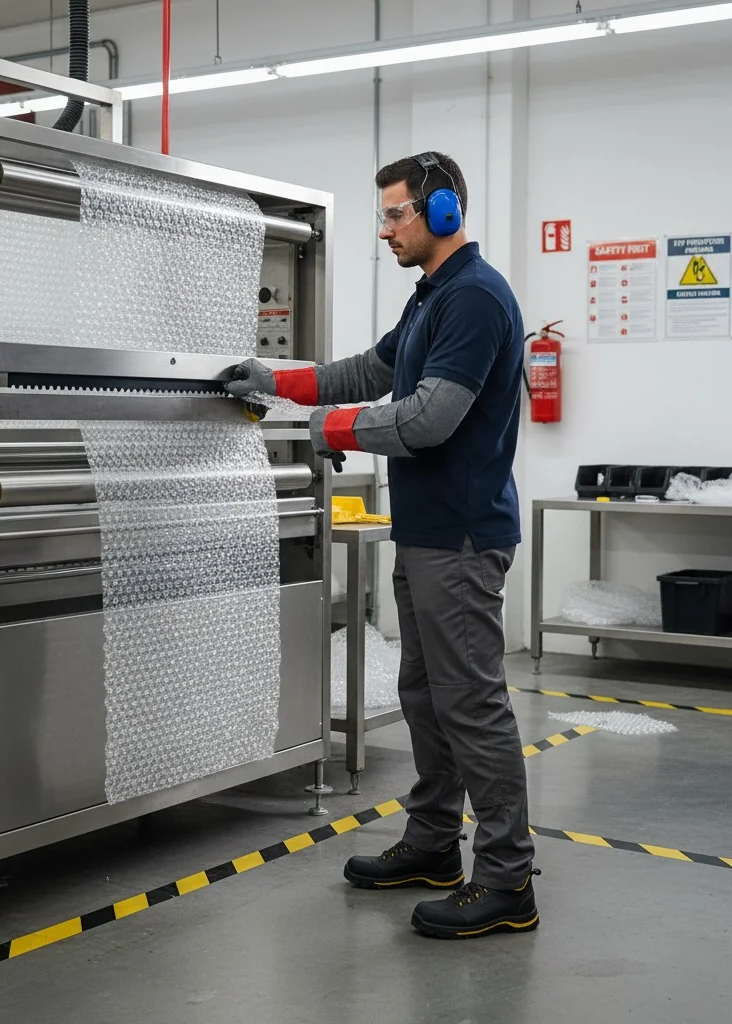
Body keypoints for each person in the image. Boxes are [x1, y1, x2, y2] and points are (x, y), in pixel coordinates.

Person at [227, 152, 538, 940]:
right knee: (427, 698)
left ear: (441, 213)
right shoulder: (434, 297)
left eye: (396, 214)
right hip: (429, 532)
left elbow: (428, 417)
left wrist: (322, 429)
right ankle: (434, 844)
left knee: (472, 705)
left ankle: (507, 881)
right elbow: (375, 368)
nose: (385, 230)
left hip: (462, 539)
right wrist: (277, 381)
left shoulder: (475, 298)